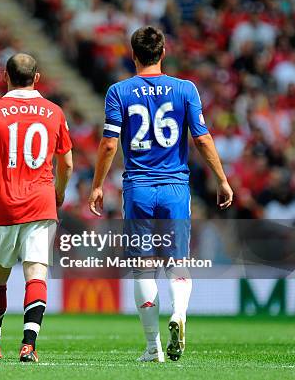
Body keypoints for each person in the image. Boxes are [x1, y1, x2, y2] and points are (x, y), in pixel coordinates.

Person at [88, 26, 233, 362]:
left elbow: (110, 143)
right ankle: (179, 313)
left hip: (138, 188)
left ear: (133, 55)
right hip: (175, 188)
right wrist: (222, 179)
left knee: (142, 268)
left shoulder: (119, 91)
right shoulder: (185, 89)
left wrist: (97, 185)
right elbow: (201, 138)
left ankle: (153, 348)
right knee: (177, 264)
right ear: (163, 53)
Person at [0, 53, 73, 362]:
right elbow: (68, 162)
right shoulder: (54, 111)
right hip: (42, 203)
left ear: (4, 76)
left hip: (4, 205)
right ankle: (29, 345)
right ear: (37, 78)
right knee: (36, 273)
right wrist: (59, 192)